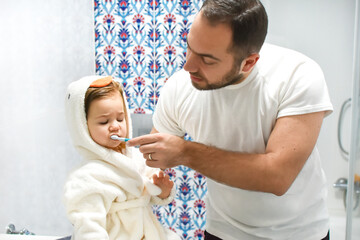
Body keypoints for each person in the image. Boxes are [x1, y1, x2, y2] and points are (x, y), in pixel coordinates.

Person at [127, 0, 333, 239]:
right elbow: (154, 159)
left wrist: (185, 152)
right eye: (189, 47)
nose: (188, 66)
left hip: (299, 234)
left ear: (248, 62)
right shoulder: (179, 87)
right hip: (221, 230)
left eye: (207, 59)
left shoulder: (298, 75)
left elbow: (277, 176)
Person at [63, 76, 180, 240]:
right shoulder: (86, 178)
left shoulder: (137, 159)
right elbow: (89, 228)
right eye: (104, 122)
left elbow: (154, 197)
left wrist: (163, 191)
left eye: (120, 118)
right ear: (82, 127)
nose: (116, 126)